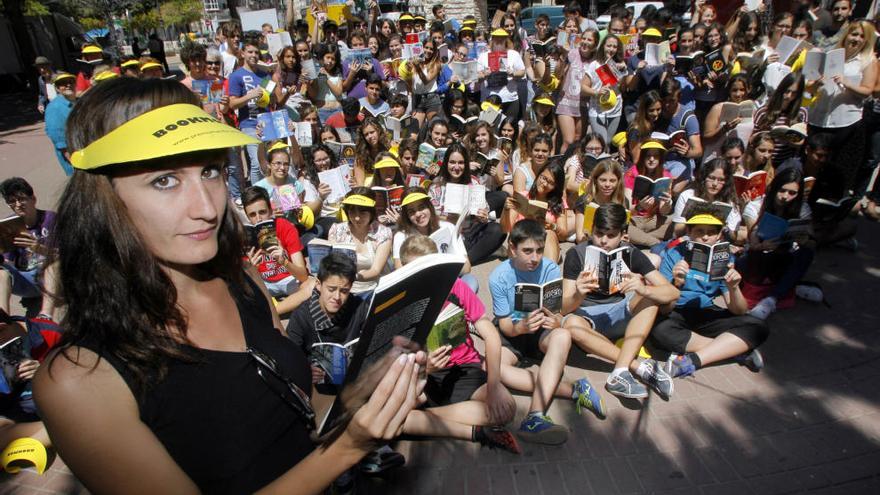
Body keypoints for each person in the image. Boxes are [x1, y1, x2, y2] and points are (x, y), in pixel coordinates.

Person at [34, 77, 426, 494]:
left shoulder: (244, 285)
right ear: (102, 198)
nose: (206, 207)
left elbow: (302, 410)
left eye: (210, 171)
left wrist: (363, 392)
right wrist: (349, 448)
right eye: (164, 180)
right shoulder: (79, 380)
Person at [489, 219, 605, 445]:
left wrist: (560, 316)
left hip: (540, 329)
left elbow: (559, 311)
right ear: (512, 248)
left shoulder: (550, 268)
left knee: (563, 335)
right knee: (493, 370)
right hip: (513, 331)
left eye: (539, 251)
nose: (534, 258)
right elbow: (504, 326)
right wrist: (520, 327)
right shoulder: (498, 277)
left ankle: (535, 417)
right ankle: (573, 390)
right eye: (527, 251)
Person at [561, 204, 679, 400]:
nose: (603, 241)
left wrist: (643, 289)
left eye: (611, 235)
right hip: (588, 320)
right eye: (599, 234)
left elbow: (672, 292)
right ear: (592, 229)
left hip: (621, 313)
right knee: (570, 324)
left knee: (651, 298)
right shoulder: (577, 254)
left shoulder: (630, 252)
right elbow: (564, 308)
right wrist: (578, 295)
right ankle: (635, 367)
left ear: (623, 234)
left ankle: (620, 371)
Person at [650, 213, 769, 378]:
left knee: (758, 327)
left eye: (711, 232)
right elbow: (663, 308)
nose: (705, 237)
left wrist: (733, 288)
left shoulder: (724, 258)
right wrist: (676, 284)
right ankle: (733, 350)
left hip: (706, 312)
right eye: (699, 231)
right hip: (676, 310)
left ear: (719, 235)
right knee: (658, 330)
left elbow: (739, 310)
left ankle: (693, 360)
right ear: (689, 233)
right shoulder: (674, 253)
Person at [740, 168, 818, 320]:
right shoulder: (755, 206)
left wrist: (805, 240)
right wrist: (763, 246)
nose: (785, 197)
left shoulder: (802, 209)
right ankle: (789, 288)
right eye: (782, 190)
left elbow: (812, 241)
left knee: (807, 252)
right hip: (757, 258)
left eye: (792, 193)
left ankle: (771, 300)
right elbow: (753, 240)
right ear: (774, 187)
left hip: (785, 256)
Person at [0, 177, 57, 321]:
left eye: (21, 199)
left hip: (51, 277)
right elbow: (8, 262)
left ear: (33, 199)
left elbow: (68, 256)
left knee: (54, 264)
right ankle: (4, 319)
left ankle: (45, 315)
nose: (18, 205)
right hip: (27, 282)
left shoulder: (50, 219)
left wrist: (39, 248)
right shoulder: (10, 225)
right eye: (12, 201)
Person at [242, 187, 309, 298]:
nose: (259, 219)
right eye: (252, 215)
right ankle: (283, 306)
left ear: (271, 210)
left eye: (262, 212)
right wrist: (251, 269)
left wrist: (284, 262)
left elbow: (303, 276)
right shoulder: (246, 234)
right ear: (247, 216)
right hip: (263, 282)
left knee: (311, 286)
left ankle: (275, 311)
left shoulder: (285, 226)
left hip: (289, 279)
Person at [327, 188, 392, 295]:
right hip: (341, 289)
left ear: (372, 212)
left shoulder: (383, 233)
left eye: (363, 212)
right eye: (352, 211)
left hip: (373, 288)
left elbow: (376, 270)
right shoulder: (336, 230)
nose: (357, 218)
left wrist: (352, 276)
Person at [228, 34, 272, 186]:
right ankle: (257, 194)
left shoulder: (264, 74)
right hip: (249, 124)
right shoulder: (236, 76)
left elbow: (271, 98)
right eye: (250, 52)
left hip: (266, 123)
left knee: (267, 162)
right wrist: (250, 95)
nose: (253, 55)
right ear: (242, 53)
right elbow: (232, 104)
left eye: (256, 52)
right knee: (257, 164)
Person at [43, 73, 76, 176]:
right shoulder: (54, 107)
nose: (68, 85)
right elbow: (59, 139)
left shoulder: (77, 102)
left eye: (70, 82)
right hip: (76, 159)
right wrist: (75, 162)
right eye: (63, 84)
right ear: (57, 88)